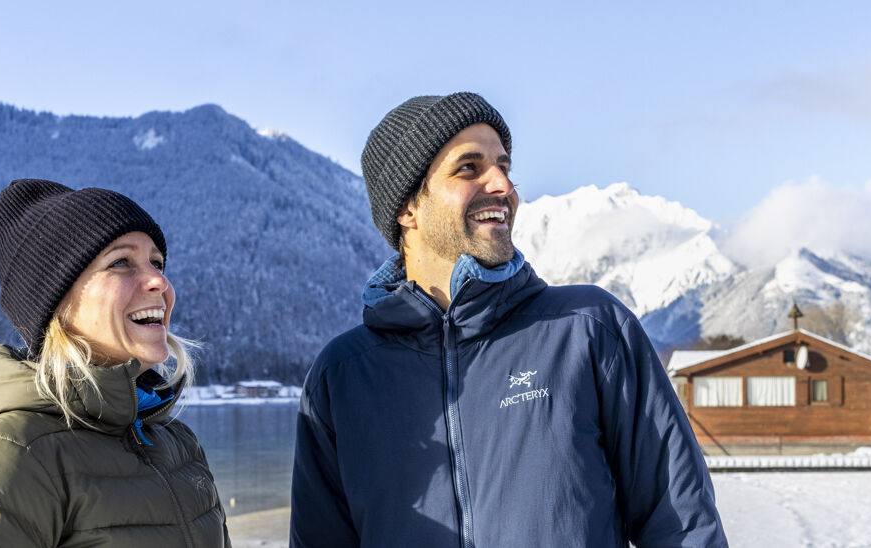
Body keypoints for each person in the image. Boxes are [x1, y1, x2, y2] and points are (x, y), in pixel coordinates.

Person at [291, 93, 727, 547]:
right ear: (408, 208)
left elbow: (683, 526)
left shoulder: (588, 329)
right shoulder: (341, 377)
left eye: (504, 166)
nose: (502, 184)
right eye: (469, 167)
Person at [0, 179, 228, 547]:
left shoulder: (178, 446)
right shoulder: (4, 463)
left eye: (156, 262)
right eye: (121, 262)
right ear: (58, 304)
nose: (159, 280)